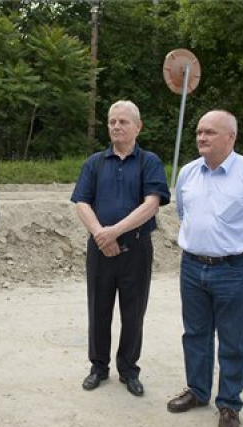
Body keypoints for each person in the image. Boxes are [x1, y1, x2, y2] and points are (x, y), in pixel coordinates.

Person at [166, 110, 243, 427]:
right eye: (199, 132)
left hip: (234, 270)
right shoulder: (188, 173)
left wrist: (237, 247)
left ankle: (230, 403)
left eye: (210, 132)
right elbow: (184, 214)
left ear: (231, 137)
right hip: (191, 266)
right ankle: (197, 391)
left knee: (233, 338)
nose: (202, 137)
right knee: (195, 334)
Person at [71, 100, 170, 397]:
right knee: (98, 309)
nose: (116, 126)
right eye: (112, 121)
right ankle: (98, 367)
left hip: (136, 249)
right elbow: (81, 202)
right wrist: (101, 234)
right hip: (99, 248)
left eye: (123, 122)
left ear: (138, 127)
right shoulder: (95, 163)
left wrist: (115, 231)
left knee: (133, 312)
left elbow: (151, 204)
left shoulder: (149, 162)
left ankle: (128, 369)